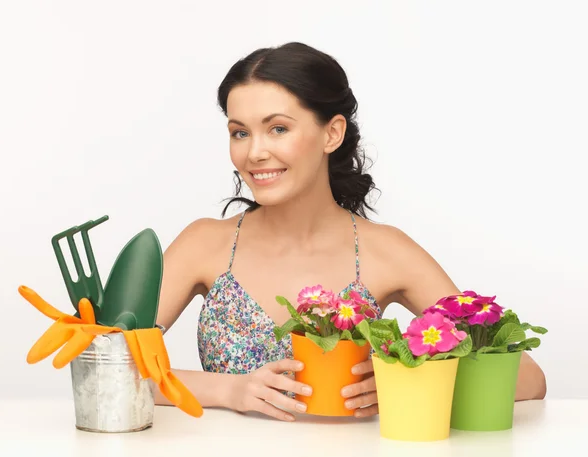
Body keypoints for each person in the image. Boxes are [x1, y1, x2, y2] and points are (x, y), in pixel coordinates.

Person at [154, 42, 547, 421]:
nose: (254, 152)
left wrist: (407, 377)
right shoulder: (205, 244)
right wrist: (228, 391)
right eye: (240, 132)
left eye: (277, 129)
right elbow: (106, 367)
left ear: (332, 133)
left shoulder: (386, 250)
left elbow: (530, 378)